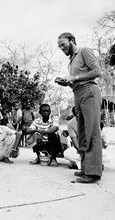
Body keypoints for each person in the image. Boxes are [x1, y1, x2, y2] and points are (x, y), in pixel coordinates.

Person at [58, 32, 102, 183]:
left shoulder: (84, 51)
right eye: (59, 46)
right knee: (82, 133)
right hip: (77, 94)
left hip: (89, 91)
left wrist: (75, 77)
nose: (62, 48)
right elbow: (75, 80)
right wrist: (67, 82)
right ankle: (85, 169)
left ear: (72, 40)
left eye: (63, 44)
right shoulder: (70, 62)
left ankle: (94, 173)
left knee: (92, 132)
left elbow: (97, 71)